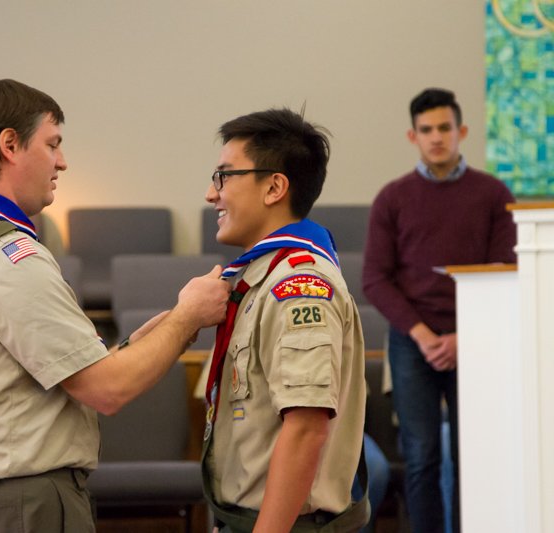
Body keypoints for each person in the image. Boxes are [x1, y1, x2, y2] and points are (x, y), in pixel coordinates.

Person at [0, 79, 230, 532]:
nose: (62, 161)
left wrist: (158, 337)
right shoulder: (3, 254)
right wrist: (188, 317)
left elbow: (61, 377)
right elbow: (106, 390)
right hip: (14, 504)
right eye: (52, 144)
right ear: (9, 145)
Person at [201, 108, 368, 532]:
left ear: (274, 187)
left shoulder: (298, 283)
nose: (210, 194)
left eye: (224, 176)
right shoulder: (259, 277)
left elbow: (306, 428)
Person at [362, 88, 517, 533]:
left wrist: (463, 338)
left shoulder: (492, 194)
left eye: (444, 128)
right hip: (414, 342)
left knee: (476, 455)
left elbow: (504, 271)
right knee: (421, 455)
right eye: (426, 130)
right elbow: (375, 278)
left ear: (461, 131)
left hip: (477, 341)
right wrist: (425, 336)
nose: (436, 138)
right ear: (412, 136)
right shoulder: (393, 198)